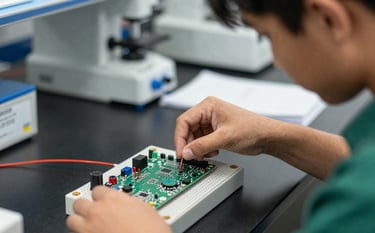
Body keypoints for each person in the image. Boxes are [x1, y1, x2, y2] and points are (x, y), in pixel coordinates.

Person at [66, 0, 375, 232]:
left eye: (267, 35)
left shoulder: (360, 201)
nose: (277, 61)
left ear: (328, 19)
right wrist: (272, 136)